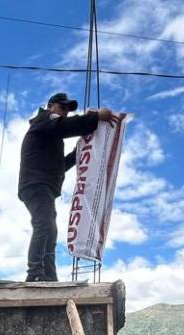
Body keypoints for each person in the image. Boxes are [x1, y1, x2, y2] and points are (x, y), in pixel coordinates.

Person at [17, 92, 119, 282]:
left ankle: (48, 275)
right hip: (37, 184)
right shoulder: (44, 120)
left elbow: (60, 166)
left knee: (49, 228)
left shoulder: (50, 135)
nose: (65, 113)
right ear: (50, 106)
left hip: (41, 185)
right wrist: (96, 117)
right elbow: (65, 126)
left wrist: (78, 152)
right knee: (44, 225)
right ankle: (35, 273)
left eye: (67, 110)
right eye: (62, 108)